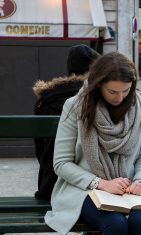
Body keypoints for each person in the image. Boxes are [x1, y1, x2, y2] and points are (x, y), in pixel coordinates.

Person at [44, 52, 141, 235]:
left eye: (125, 90)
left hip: (126, 190)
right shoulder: (75, 106)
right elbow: (61, 163)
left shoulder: (139, 106)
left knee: (140, 223)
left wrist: (140, 181)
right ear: (97, 86)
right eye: (112, 92)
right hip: (83, 188)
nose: (120, 97)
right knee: (115, 225)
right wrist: (101, 183)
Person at [33, 44, 100, 200]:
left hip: (50, 185)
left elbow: (40, 150)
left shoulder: (46, 99)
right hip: (92, 186)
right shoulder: (97, 96)